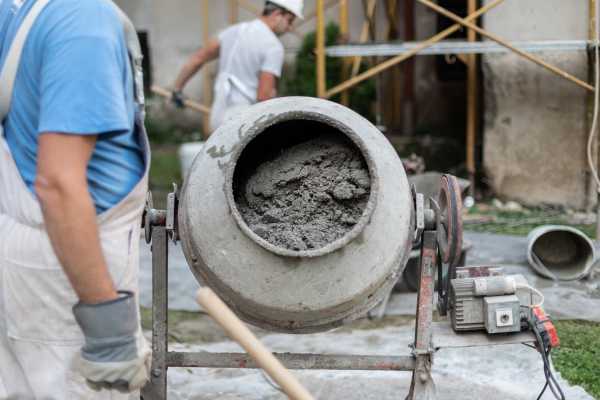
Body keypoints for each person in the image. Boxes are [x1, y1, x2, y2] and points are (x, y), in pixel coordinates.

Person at [0, 0, 151, 398]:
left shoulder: (14, 12)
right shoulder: (82, 17)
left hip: (27, 243)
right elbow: (59, 185)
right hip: (70, 254)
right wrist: (108, 330)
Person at [171, 0, 304, 133]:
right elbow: (264, 97)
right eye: (290, 20)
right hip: (244, 119)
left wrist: (177, 89)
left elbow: (197, 58)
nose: (290, 27)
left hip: (217, 114)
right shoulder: (273, 46)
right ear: (277, 14)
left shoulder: (233, 31)